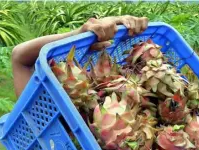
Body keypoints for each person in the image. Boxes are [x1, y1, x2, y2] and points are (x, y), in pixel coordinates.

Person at [12, 15, 148, 97]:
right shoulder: (39, 116)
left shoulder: (38, 116)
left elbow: (19, 58)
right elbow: (19, 56)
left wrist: (77, 37)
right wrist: (77, 36)